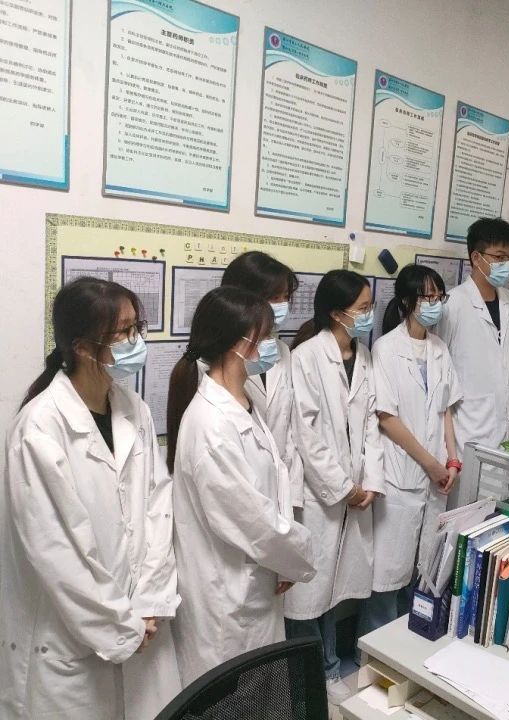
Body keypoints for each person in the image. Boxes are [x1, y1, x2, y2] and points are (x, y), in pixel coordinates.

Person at [0, 278, 179, 720]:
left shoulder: (134, 409)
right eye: (124, 333)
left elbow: (158, 507)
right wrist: (121, 624)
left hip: (142, 621)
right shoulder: (39, 429)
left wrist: (149, 603)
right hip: (71, 640)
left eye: (137, 328)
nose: (136, 342)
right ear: (82, 347)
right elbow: (57, 552)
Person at [167, 286, 315, 685]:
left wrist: (282, 561)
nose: (271, 345)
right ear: (238, 343)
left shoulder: (243, 398)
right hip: (227, 596)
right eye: (265, 336)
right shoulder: (212, 425)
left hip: (255, 581)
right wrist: (294, 556)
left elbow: (268, 487)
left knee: (258, 691)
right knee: (233, 698)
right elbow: (252, 520)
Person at [285, 270, 385, 706]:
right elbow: (305, 434)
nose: (368, 315)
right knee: (308, 592)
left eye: (370, 307)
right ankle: (312, 675)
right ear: (335, 312)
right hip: (321, 494)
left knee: (332, 589)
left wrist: (371, 482)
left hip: (358, 490)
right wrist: (344, 488)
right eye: (362, 308)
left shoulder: (365, 356)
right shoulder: (306, 357)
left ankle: (329, 665)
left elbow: (373, 425)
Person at [368, 264, 462, 632]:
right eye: (428, 297)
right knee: (387, 575)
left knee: (422, 570)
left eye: (439, 296)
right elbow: (387, 418)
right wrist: (432, 465)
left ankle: (408, 643)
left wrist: (451, 459)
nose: (435, 303)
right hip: (401, 477)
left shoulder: (439, 348)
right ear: (408, 301)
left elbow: (446, 409)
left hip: (436, 477)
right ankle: (372, 650)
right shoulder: (386, 349)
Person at [220, 251, 305, 506]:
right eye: (273, 297)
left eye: (285, 297)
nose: (281, 305)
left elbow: (289, 431)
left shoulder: (282, 352)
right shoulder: (214, 363)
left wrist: (291, 495)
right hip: (238, 494)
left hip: (280, 490)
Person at [436, 218, 509, 462]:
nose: (507, 265)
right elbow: (440, 371)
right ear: (476, 257)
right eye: (500, 257)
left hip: (503, 429)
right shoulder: (453, 304)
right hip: (465, 428)